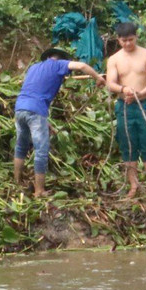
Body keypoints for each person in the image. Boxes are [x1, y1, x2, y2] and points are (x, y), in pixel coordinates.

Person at [13, 48, 105, 197]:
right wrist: (97, 78)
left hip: (20, 108)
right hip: (35, 110)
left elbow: (35, 91)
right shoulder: (58, 64)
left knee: (21, 146)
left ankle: (17, 182)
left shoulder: (34, 67)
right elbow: (81, 66)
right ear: (60, 58)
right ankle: (39, 191)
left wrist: (46, 123)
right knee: (41, 151)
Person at [105, 21, 146, 198]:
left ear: (136, 37)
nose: (128, 44)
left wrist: (140, 93)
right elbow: (110, 83)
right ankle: (133, 185)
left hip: (144, 103)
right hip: (124, 106)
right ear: (118, 40)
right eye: (124, 41)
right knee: (128, 144)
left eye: (130, 39)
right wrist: (123, 90)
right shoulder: (114, 59)